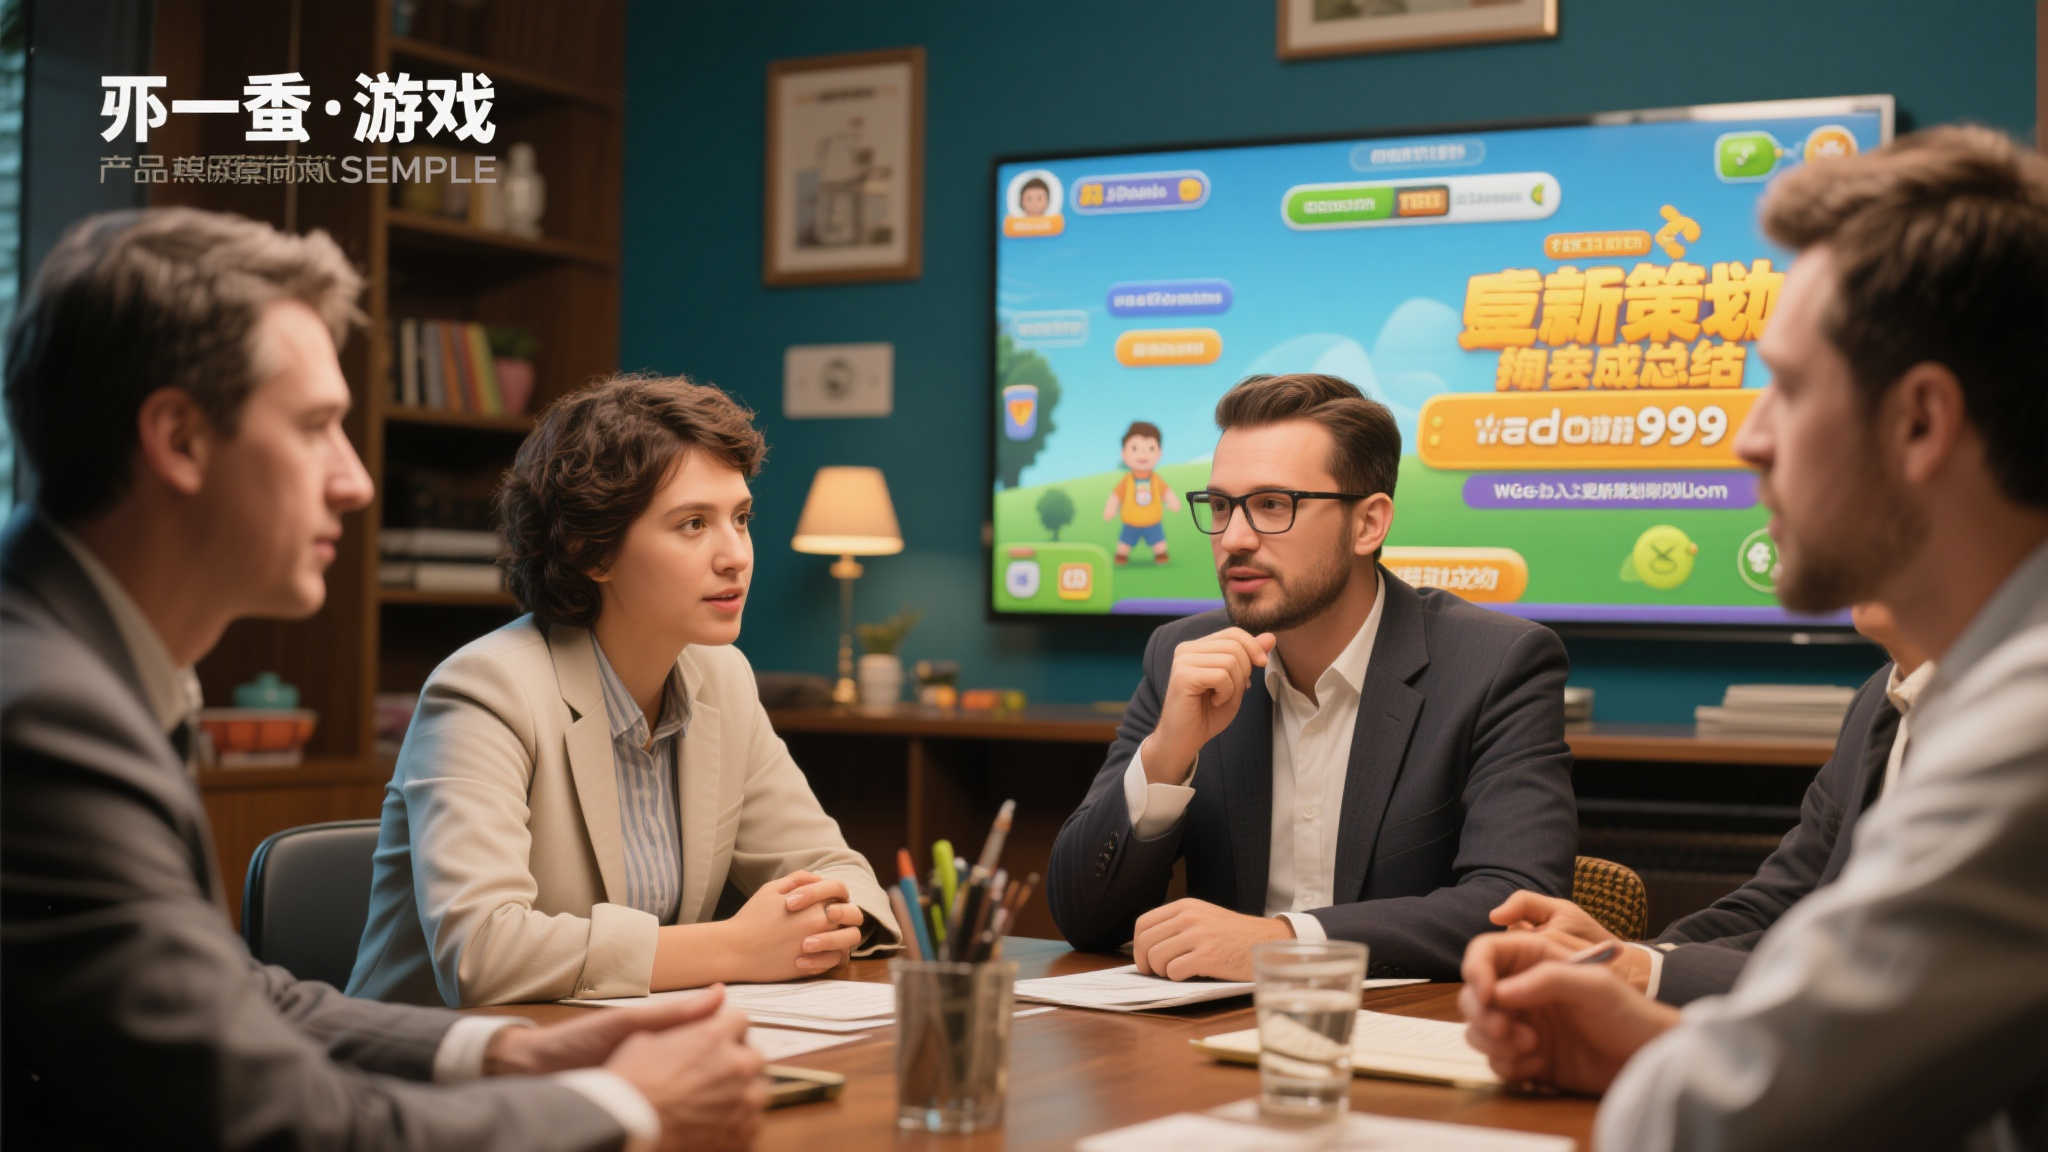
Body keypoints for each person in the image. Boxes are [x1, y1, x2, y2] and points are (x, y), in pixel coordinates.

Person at [1, 207, 764, 1149]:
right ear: (180, 439)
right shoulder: (45, 719)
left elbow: (235, 995)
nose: (356, 481)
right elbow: (270, 1122)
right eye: (316, 427)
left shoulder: (73, 669)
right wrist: (624, 1106)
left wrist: (505, 1052)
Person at [1460, 124, 2048, 1150]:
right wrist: (1654, 1040)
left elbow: (1727, 1120)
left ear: (1920, 422)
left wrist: (1676, 1065)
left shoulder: (2028, 718)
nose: (1748, 439)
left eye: (1788, 385)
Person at [349, 375, 899, 1008]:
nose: (736, 556)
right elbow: (482, 952)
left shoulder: (723, 678)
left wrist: (821, 922)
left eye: (741, 519)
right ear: (591, 550)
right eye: (693, 523)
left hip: (619, 1042)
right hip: (431, 1059)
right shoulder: (485, 690)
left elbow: (838, 872)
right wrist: (735, 947)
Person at [1047, 372, 1577, 981]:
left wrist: (1283, 942)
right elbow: (1083, 919)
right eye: (1220, 507)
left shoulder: (1496, 665)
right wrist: (1168, 754)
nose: (1234, 539)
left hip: (1411, 1027)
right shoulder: (1182, 656)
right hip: (1215, 1030)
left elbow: (1519, 908)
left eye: (1273, 505)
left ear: (1368, 524)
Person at [1492, 602, 1931, 1004]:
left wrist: (1639, 970)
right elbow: (1776, 904)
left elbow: (1896, 970)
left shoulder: (1970, 730)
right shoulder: (1878, 699)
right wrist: (1627, 958)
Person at [1103, 419, 1180, 565]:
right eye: (1134, 448)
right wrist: (1110, 509)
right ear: (1124, 453)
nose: (1143, 454)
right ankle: (1121, 556)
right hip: (1131, 521)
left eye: (1150, 448)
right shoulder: (1126, 481)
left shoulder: (1157, 480)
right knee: (1124, 545)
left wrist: (1173, 502)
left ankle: (1161, 555)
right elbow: (1116, 496)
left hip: (1153, 521)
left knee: (1159, 544)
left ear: (1159, 453)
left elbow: (1166, 493)